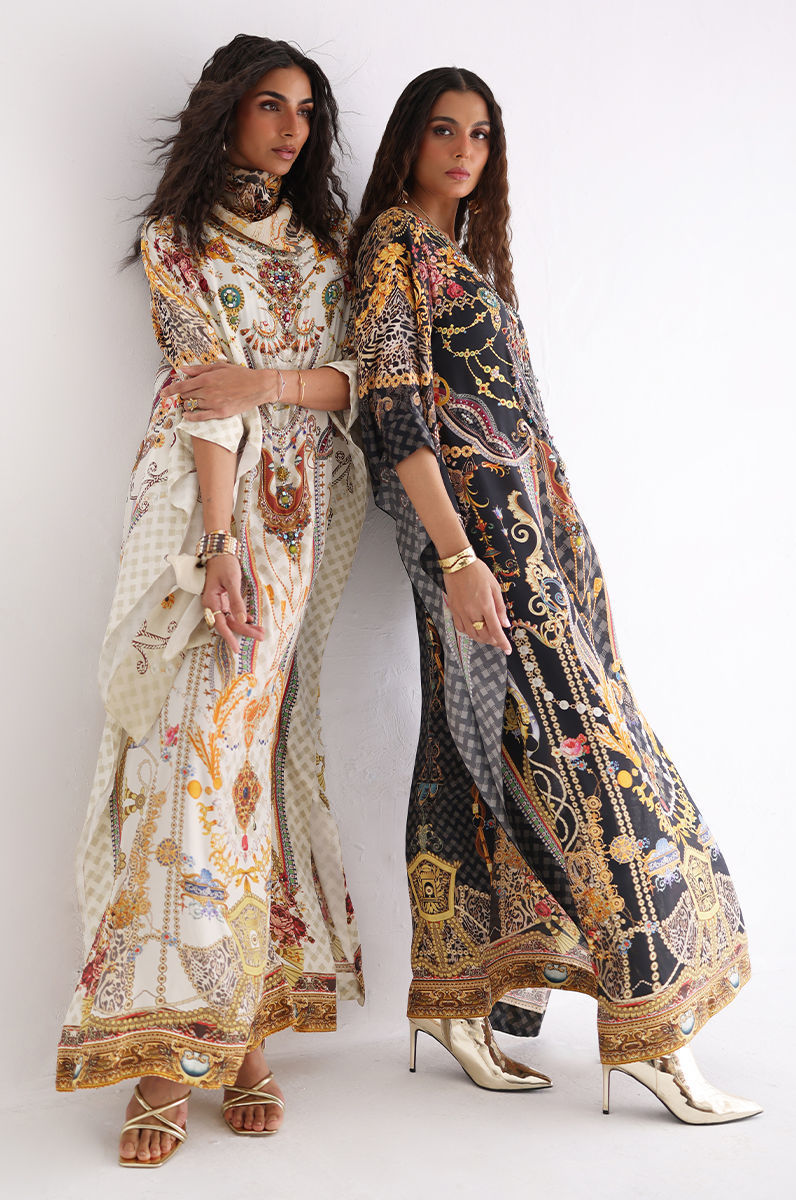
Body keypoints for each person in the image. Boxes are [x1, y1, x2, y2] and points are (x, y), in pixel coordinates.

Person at [350, 66, 760, 1122]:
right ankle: (651, 1030)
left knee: (465, 757)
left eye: (481, 134)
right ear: (408, 141)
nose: (464, 151)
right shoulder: (394, 248)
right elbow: (396, 416)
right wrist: (458, 562)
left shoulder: (465, 259)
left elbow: (515, 429)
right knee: (597, 767)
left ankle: (455, 1003)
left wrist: (563, 560)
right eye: (444, 130)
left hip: (527, 550)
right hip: (481, 554)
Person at [56, 34, 366, 1166]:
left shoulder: (328, 249)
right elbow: (201, 396)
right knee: (181, 759)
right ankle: (162, 1056)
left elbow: (360, 381)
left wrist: (270, 382)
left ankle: (242, 1037)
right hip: (201, 515)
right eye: (269, 105)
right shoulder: (176, 240)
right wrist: (222, 544)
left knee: (254, 762)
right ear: (225, 111)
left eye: (305, 110)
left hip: (300, 519)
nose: (289, 128)